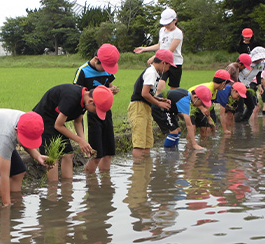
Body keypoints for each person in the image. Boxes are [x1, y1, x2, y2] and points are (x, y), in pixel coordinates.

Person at [32, 84, 114, 181]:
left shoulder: (84, 101)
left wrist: (84, 142)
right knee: (53, 157)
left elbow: (78, 122)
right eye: (96, 110)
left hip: (55, 120)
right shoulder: (71, 98)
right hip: (43, 119)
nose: (96, 113)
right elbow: (58, 125)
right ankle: (52, 191)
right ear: (91, 102)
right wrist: (79, 140)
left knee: (68, 154)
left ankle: (67, 189)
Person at [72, 43, 120, 173]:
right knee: (96, 154)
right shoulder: (83, 71)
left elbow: (109, 83)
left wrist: (112, 89)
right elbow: (77, 93)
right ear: (96, 59)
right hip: (91, 113)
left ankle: (106, 183)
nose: (105, 70)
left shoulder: (107, 70)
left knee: (109, 152)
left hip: (106, 111)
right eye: (104, 66)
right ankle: (91, 184)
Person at [128, 49, 175, 158]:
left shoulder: (154, 73)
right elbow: (144, 94)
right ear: (163, 63)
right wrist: (159, 104)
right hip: (138, 107)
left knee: (147, 143)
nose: (169, 69)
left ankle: (146, 171)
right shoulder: (151, 72)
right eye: (169, 66)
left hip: (145, 107)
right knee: (139, 144)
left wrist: (159, 100)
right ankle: (138, 171)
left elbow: (148, 94)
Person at [134, 8, 183, 92]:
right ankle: (158, 104)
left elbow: (169, 51)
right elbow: (160, 45)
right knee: (159, 87)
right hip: (163, 63)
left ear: (175, 20)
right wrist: (144, 49)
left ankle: (171, 104)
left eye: (168, 23)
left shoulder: (178, 33)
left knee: (174, 89)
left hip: (175, 63)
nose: (166, 25)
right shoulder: (162, 31)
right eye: (164, 23)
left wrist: (155, 57)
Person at [151, 85, 212, 150]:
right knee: (173, 132)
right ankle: (167, 153)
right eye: (202, 103)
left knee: (178, 131)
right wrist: (194, 144)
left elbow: (177, 105)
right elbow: (189, 125)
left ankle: (174, 150)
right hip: (159, 109)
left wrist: (181, 117)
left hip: (168, 109)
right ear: (195, 97)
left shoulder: (186, 94)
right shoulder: (185, 101)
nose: (201, 106)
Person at [188, 69, 231, 136]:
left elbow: (208, 106)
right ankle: (190, 145)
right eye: (226, 85)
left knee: (206, 128)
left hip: (198, 106)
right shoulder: (207, 89)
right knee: (192, 128)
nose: (225, 87)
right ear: (223, 84)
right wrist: (202, 109)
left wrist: (209, 119)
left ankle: (204, 145)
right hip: (190, 105)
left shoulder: (214, 90)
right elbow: (194, 99)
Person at [236, 46, 265, 122]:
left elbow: (259, 75)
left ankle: (244, 122)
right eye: (258, 59)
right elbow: (235, 71)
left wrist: (259, 86)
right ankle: (237, 124)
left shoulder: (261, 64)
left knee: (251, 105)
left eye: (261, 59)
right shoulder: (245, 60)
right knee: (240, 107)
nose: (259, 61)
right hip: (238, 84)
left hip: (247, 85)